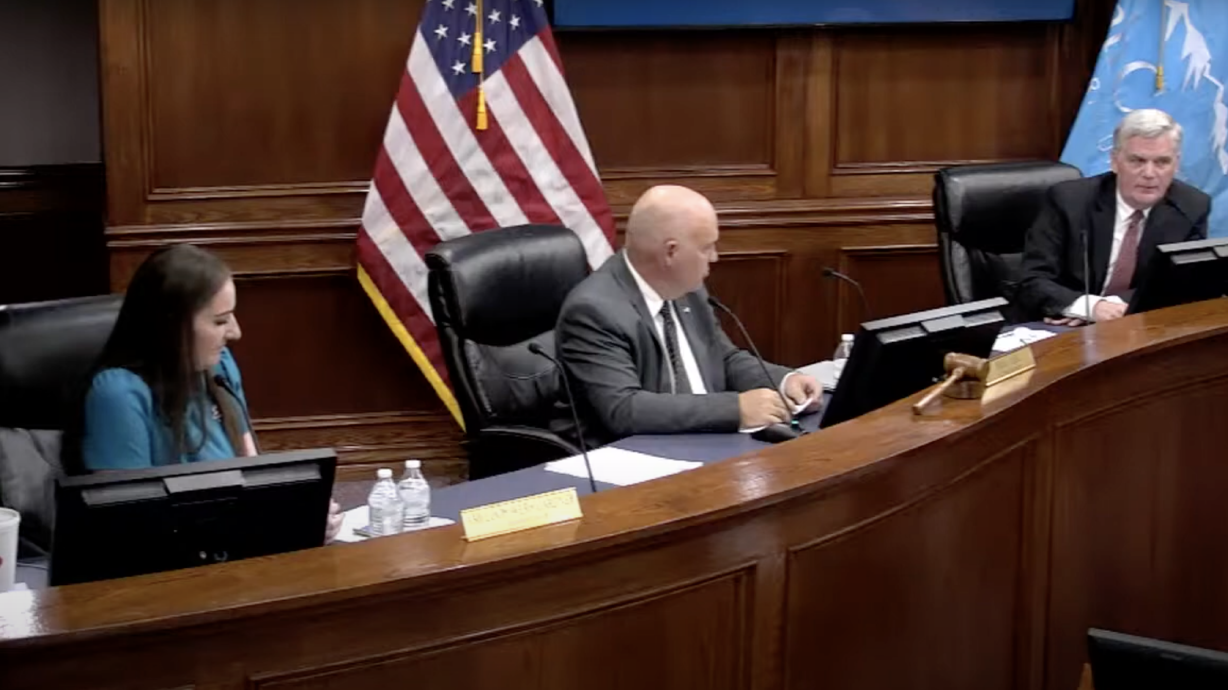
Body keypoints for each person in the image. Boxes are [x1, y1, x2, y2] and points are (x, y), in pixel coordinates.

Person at [74, 244, 342, 538]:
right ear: (171, 325)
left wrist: (298, 511)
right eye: (220, 321)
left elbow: (253, 470)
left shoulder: (220, 366)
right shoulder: (118, 394)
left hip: (236, 543)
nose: (235, 333)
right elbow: (128, 525)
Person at [554, 184, 822, 448]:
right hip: (642, 456)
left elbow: (724, 359)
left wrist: (784, 380)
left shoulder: (687, 289)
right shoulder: (594, 309)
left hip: (710, 442)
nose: (714, 258)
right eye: (707, 248)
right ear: (671, 252)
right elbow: (625, 409)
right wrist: (735, 409)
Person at [1018, 108, 1210, 324]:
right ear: (1115, 161)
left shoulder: (1191, 207)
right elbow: (1032, 281)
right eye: (1137, 161)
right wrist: (1088, 307)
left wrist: (1113, 308)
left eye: (1162, 162)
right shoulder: (1070, 201)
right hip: (1061, 326)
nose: (1149, 173)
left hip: (1137, 326)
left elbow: (1183, 285)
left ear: (1176, 164)